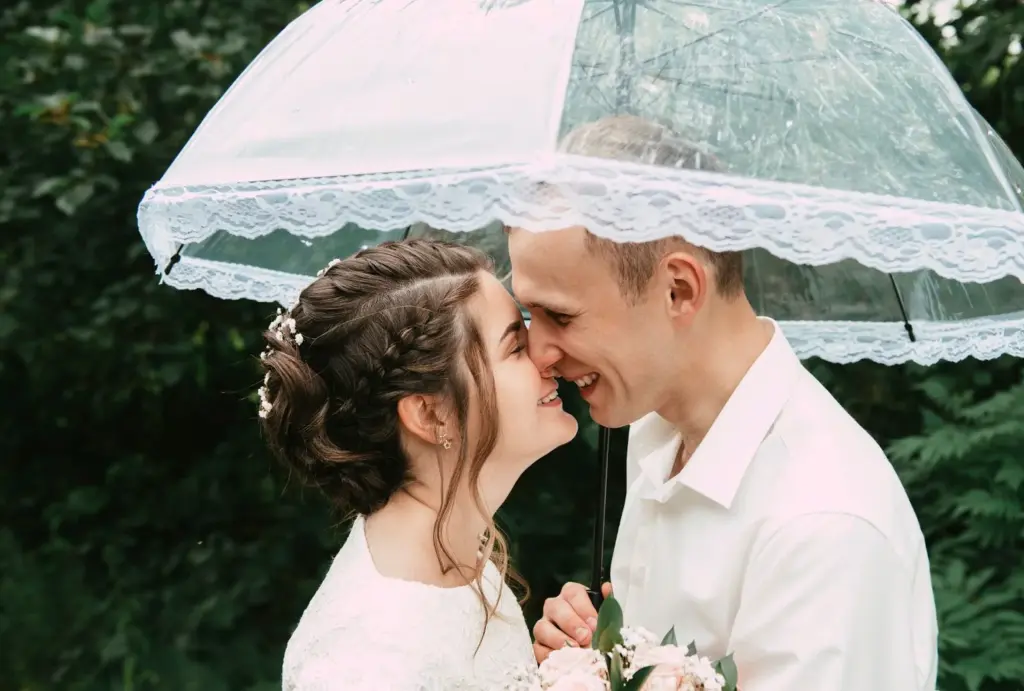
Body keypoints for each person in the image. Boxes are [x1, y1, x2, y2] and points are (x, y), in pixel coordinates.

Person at [509, 115, 939, 690]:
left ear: (678, 290)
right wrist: (591, 660)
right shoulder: (655, 433)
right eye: (531, 315)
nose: (538, 352)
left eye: (560, 316)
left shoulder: (822, 527)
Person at [257, 239, 578, 690]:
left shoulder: (465, 567)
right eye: (516, 347)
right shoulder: (368, 659)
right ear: (430, 414)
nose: (548, 357)